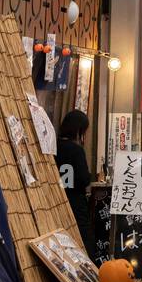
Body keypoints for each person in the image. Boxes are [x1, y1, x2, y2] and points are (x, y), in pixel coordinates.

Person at [57, 110, 95, 257]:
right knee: (83, 239)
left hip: (57, 199)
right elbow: (83, 179)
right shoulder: (76, 150)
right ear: (79, 130)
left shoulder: (54, 147)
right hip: (75, 201)